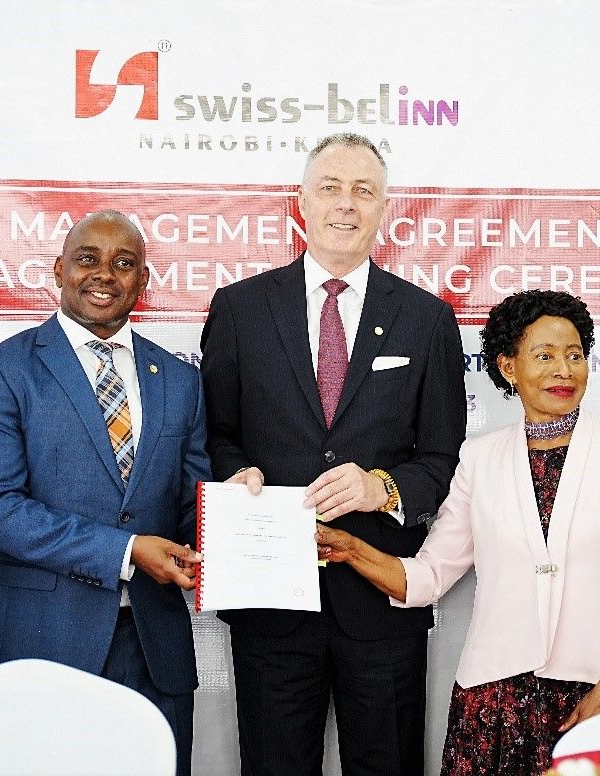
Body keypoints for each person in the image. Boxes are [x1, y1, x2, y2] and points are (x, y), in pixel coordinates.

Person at [316, 290, 600, 776]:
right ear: (509, 367)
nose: (564, 370)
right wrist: (350, 549)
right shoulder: (478, 457)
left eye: (575, 355)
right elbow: (428, 577)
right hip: (494, 707)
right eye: (545, 356)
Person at [200, 132, 467, 776]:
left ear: (384, 209)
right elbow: (213, 434)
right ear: (301, 201)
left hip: (381, 598)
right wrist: (236, 473)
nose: (345, 203)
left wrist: (385, 488)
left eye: (363, 190)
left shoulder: (427, 319)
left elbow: (443, 456)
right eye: (330, 187)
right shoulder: (240, 309)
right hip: (269, 598)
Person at [0, 210, 207, 776]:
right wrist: (126, 551)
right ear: (59, 269)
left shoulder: (181, 380)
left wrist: (238, 513)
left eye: (124, 263)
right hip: (39, 642)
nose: (105, 275)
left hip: (153, 648)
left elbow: (192, 507)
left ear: (143, 280)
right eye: (88, 259)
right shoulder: (1, 367)